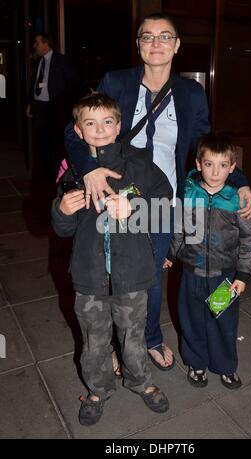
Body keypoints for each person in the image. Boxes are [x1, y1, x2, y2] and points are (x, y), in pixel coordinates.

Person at [64, 13, 251, 371]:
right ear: (138, 45)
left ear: (177, 45)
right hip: (115, 195)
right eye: (147, 37)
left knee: (149, 276)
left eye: (164, 37)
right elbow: (74, 131)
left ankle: (148, 337)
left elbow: (206, 146)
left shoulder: (190, 93)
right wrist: (89, 170)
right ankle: (111, 344)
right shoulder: (115, 81)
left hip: (161, 202)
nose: (156, 44)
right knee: (109, 273)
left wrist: (238, 179)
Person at [51, 92, 173, 426]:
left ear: (119, 125)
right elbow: (62, 229)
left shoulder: (138, 163)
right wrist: (61, 210)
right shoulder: (72, 171)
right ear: (78, 131)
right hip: (89, 276)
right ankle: (98, 389)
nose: (100, 129)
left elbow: (165, 203)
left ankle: (140, 381)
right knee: (94, 340)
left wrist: (135, 208)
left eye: (107, 122)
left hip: (132, 274)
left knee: (133, 334)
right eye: (90, 123)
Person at [164, 134, 251, 389]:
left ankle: (225, 366)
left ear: (232, 168)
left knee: (223, 323)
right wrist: (169, 253)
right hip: (191, 273)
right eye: (209, 164)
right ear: (198, 164)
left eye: (222, 166)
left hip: (224, 277)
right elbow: (179, 228)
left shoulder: (238, 200)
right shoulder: (188, 192)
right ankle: (196, 363)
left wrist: (243, 275)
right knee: (192, 321)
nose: (215, 172)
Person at [26, 32, 79, 179]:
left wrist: (65, 102)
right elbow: (34, 84)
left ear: (45, 43)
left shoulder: (60, 60)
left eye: (37, 43)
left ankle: (57, 171)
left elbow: (73, 81)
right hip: (39, 107)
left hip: (54, 107)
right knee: (40, 140)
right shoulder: (39, 61)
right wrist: (30, 103)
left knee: (55, 139)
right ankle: (42, 170)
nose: (34, 45)